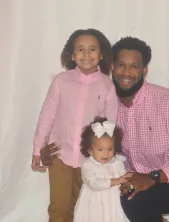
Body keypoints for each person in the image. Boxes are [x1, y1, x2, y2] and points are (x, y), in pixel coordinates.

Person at [39, 36, 169, 222]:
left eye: (134, 66)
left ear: (145, 70)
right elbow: (75, 126)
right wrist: (51, 149)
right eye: (121, 65)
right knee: (106, 194)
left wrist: (154, 177)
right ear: (112, 67)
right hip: (131, 179)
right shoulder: (106, 104)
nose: (126, 72)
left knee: (133, 200)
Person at [31, 29, 119, 222]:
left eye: (92, 49)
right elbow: (47, 114)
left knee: (82, 206)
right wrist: (38, 148)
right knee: (59, 207)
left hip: (89, 159)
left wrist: (106, 156)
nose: (86, 55)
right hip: (59, 154)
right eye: (80, 49)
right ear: (72, 55)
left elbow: (109, 126)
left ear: (102, 54)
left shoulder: (107, 86)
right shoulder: (61, 81)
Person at [74, 116, 128, 222]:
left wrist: (127, 180)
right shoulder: (87, 165)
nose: (106, 153)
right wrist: (116, 181)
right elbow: (93, 184)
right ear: (90, 150)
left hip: (113, 203)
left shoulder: (118, 163)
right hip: (94, 204)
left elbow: (124, 180)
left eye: (110, 148)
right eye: (100, 149)